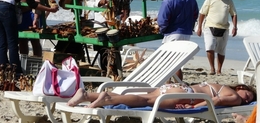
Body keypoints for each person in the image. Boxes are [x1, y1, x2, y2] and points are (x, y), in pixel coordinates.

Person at [84, 0, 126, 76]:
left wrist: (122, 10)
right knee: (102, 49)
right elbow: (88, 3)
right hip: (100, 21)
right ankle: (104, 72)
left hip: (114, 19)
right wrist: (99, 3)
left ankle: (116, 72)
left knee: (115, 47)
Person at [67, 83, 256, 109]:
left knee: (145, 96)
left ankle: (87, 94)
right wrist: (193, 108)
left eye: (248, 99)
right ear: (241, 87)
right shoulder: (235, 96)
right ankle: (107, 98)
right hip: (187, 95)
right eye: (248, 94)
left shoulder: (219, 84)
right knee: (146, 101)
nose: (246, 99)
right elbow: (215, 101)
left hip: (178, 87)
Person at [157, 0, 199, 81]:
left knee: (170, 63)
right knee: (177, 63)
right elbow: (195, 15)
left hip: (173, 33)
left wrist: (161, 30)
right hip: (186, 33)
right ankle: (177, 85)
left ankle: (175, 86)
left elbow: (162, 21)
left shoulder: (169, 0)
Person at [197, 0, 237, 75]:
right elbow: (202, 13)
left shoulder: (228, 0)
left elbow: (234, 14)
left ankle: (219, 70)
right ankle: (212, 68)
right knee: (210, 46)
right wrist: (199, 27)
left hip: (224, 28)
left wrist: (235, 27)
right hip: (210, 26)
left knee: (221, 50)